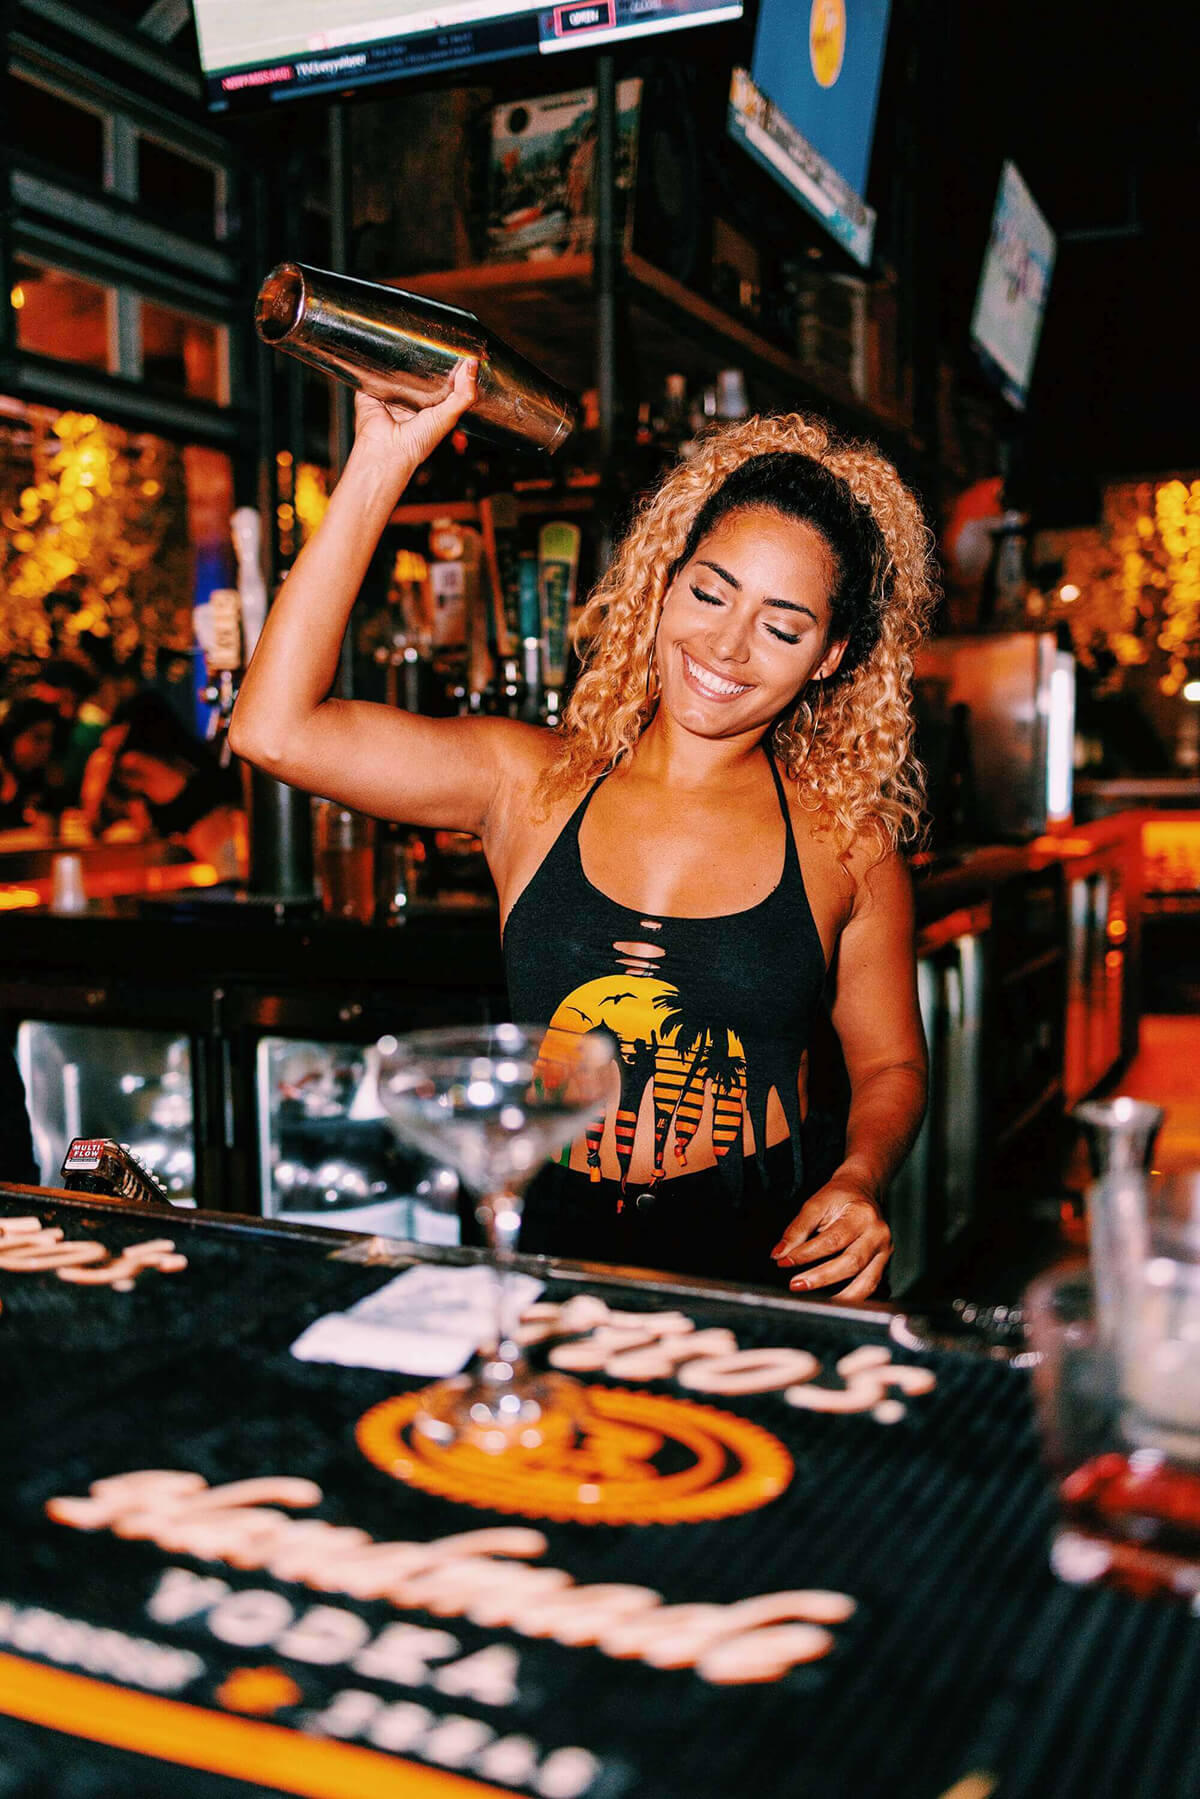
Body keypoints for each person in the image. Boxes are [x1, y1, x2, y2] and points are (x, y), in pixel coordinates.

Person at [230, 361, 932, 1299]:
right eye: (712, 593)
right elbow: (273, 729)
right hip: (544, 1244)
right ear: (664, 585)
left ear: (829, 656)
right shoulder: (530, 782)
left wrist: (859, 1176)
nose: (727, 647)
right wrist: (381, 460)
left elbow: (889, 1062)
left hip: (763, 1258)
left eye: (782, 626)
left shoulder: (849, 838)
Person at [81, 690, 247, 877]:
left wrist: (104, 756)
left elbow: (92, 817)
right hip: (236, 846)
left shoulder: (133, 764)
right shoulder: (187, 757)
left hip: (222, 857)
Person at [0, 696, 61, 829]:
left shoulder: (40, 776)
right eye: (38, 738)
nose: (47, 748)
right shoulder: (4, 772)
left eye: (50, 740)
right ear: (13, 736)